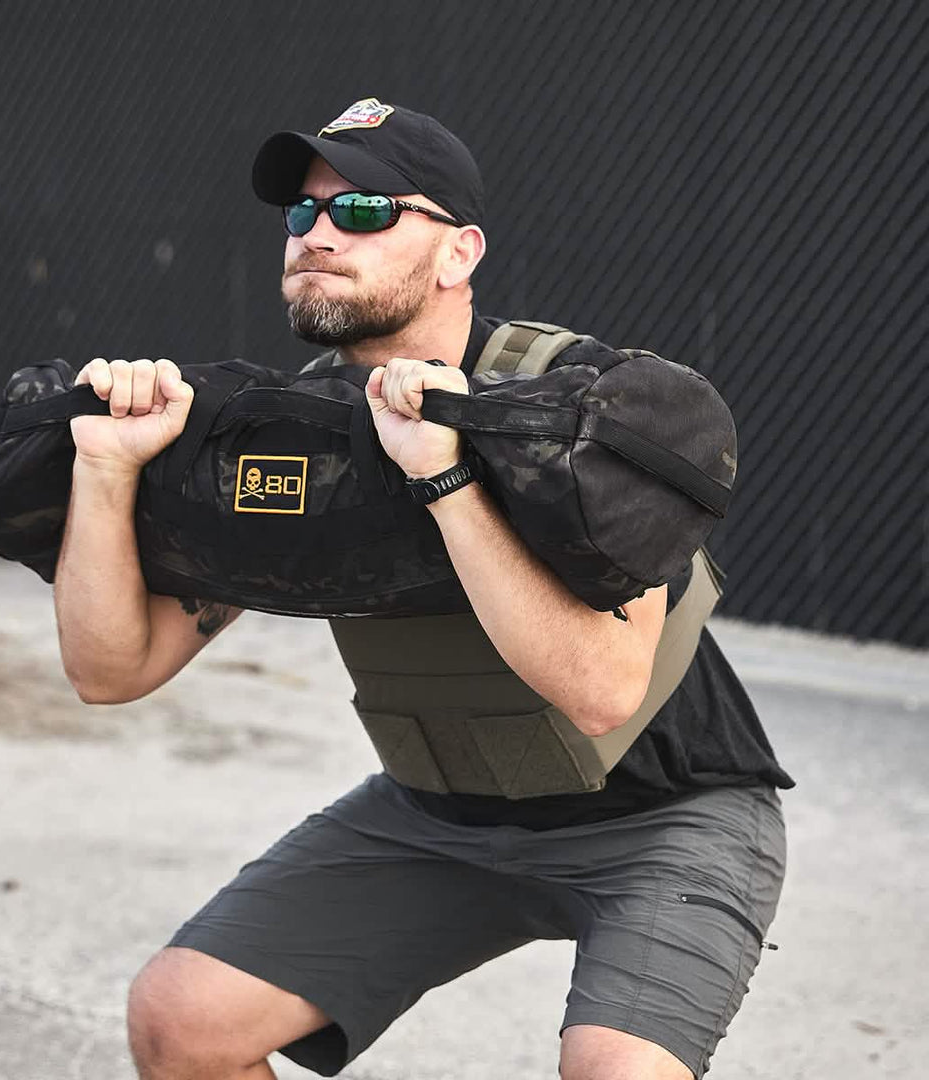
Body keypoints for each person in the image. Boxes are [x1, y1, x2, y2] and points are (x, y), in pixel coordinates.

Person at [54, 97, 794, 1080]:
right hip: (439, 814)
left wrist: (444, 476)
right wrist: (106, 470)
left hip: (663, 817)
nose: (317, 234)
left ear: (458, 253)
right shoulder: (298, 432)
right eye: (301, 215)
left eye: (361, 212)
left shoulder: (576, 408)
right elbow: (112, 670)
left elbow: (603, 689)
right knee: (180, 1020)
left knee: (617, 1070)